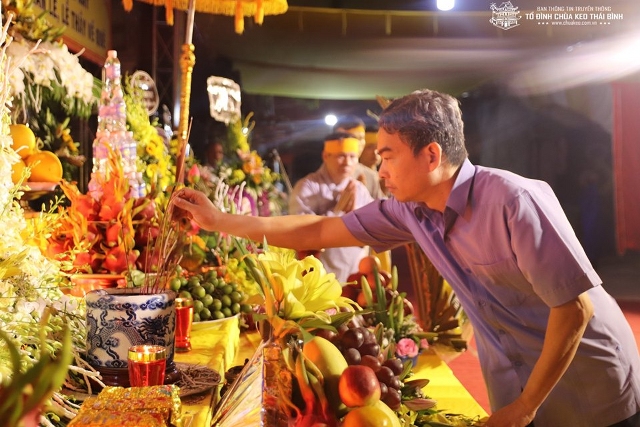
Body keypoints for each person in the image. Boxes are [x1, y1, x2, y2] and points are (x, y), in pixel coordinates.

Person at [172, 89, 640, 427]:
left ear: (431, 155)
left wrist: (524, 407)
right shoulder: (410, 212)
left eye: (388, 156)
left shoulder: (513, 200)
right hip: (516, 390)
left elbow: (574, 308)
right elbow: (315, 229)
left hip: (588, 386)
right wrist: (219, 220)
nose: (379, 171)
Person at [288, 132, 373, 283]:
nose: (347, 162)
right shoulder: (308, 186)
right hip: (319, 277)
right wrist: (338, 213)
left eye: (352, 156)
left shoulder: (359, 189)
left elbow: (373, 228)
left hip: (355, 275)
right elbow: (300, 232)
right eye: (341, 156)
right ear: (326, 156)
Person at [333, 115, 386, 200]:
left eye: (361, 138)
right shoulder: (315, 182)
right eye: (352, 138)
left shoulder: (371, 177)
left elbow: (382, 206)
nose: (357, 144)